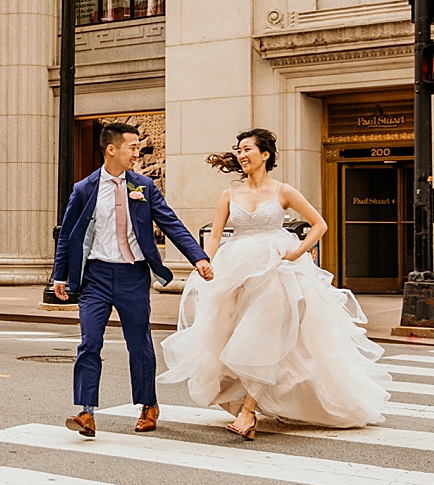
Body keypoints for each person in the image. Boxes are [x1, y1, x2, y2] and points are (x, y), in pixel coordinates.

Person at [158, 128, 391, 439]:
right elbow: (214, 235)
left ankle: (249, 411)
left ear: (265, 155)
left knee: (263, 336)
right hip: (236, 270)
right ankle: (246, 403)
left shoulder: (284, 191)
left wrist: (295, 252)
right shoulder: (230, 194)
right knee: (235, 337)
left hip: (276, 272)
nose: (241, 155)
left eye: (247, 149)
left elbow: (319, 224)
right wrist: (205, 263)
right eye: (238, 150)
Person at [53, 121, 213, 437]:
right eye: (133, 147)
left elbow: (172, 224)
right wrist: (60, 275)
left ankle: (148, 405)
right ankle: (86, 413)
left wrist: (199, 257)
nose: (137, 153)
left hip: (132, 276)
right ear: (112, 149)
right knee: (90, 342)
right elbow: (68, 236)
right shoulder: (84, 189)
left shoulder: (144, 187)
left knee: (139, 345)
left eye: (138, 147)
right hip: (95, 278)